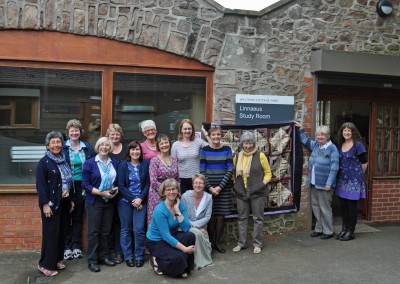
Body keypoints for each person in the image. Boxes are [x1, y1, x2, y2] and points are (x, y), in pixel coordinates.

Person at [36, 131, 74, 276]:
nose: (57, 145)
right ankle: (45, 265)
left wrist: (70, 200)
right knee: (51, 235)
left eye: (59, 142)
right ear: (48, 145)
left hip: (64, 201)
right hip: (51, 204)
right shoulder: (44, 163)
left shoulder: (64, 160)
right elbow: (41, 186)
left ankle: (56, 260)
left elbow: (68, 183)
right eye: (53, 142)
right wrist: (45, 204)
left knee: (61, 232)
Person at [296, 122, 339, 240]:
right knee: (316, 206)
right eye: (318, 135)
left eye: (323, 135)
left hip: (325, 185)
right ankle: (319, 229)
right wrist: (301, 129)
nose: (320, 137)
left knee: (325, 208)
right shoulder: (316, 145)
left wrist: (329, 183)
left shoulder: (332, 148)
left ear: (328, 136)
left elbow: (334, 168)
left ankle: (328, 231)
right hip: (314, 183)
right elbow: (305, 141)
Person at [82, 137, 119, 272]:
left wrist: (115, 191)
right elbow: (85, 184)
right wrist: (102, 193)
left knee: (105, 232)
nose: (104, 147)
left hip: (110, 201)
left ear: (110, 148)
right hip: (95, 201)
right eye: (102, 145)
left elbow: (118, 182)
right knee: (93, 232)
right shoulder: (90, 163)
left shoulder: (114, 163)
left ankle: (103, 256)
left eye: (107, 145)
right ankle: (92, 260)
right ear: (98, 147)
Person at [145, 179, 195, 278]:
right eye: (168, 189)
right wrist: (184, 249)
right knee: (179, 257)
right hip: (156, 241)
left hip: (170, 236)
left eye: (174, 189)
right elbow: (165, 236)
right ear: (164, 192)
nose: (171, 192)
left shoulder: (180, 206)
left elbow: (186, 228)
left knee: (190, 236)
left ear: (178, 191)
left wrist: (177, 211)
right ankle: (157, 261)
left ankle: (183, 264)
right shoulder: (160, 210)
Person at [232, 131, 272, 254]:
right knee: (242, 218)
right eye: (245, 143)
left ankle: (257, 244)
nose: (248, 146)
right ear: (242, 144)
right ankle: (242, 243)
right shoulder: (237, 157)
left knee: (258, 219)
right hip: (241, 193)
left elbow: (268, 173)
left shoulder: (260, 156)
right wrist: (235, 185)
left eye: (250, 143)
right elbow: (233, 173)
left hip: (258, 192)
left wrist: (262, 184)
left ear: (254, 143)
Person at [62, 119, 94, 261]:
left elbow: (92, 165)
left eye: (76, 130)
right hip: (66, 186)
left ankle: (76, 246)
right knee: (66, 216)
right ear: (68, 133)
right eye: (72, 130)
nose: (74, 133)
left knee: (78, 217)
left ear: (80, 132)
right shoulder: (63, 147)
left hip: (82, 186)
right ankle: (66, 247)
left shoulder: (86, 147)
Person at [199, 126, 233, 253]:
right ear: (209, 136)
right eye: (213, 135)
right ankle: (211, 243)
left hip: (223, 188)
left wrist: (219, 187)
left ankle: (217, 242)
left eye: (218, 134)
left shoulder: (227, 149)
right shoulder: (204, 150)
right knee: (210, 216)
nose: (216, 137)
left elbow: (230, 169)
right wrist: (209, 187)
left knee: (220, 216)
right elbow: (202, 170)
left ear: (221, 136)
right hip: (209, 188)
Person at [117, 141, 150, 268]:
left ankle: (139, 256)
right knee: (125, 230)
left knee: (139, 229)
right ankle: (128, 256)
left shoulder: (145, 164)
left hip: (141, 202)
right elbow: (121, 186)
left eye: (137, 149)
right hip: (125, 202)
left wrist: (140, 199)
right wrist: (133, 200)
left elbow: (148, 183)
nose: (135, 152)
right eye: (132, 149)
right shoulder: (123, 165)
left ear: (141, 152)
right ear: (128, 152)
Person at [335, 122, 368, 241]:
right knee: (343, 206)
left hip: (353, 181)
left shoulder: (358, 145)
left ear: (353, 132)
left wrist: (357, 176)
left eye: (349, 131)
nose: (347, 133)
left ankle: (351, 231)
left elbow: (364, 163)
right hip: (342, 180)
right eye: (345, 130)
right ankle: (344, 229)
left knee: (351, 206)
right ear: (342, 132)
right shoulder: (341, 144)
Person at [106, 123, 128, 264]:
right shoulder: (104, 148)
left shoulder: (126, 149)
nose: (115, 136)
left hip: (123, 193)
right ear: (108, 135)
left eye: (117, 134)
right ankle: (109, 252)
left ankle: (120, 251)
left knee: (121, 224)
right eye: (112, 134)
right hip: (107, 193)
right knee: (108, 224)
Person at [181, 174, 213, 270]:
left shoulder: (209, 198)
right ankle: (194, 262)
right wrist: (197, 228)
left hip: (203, 227)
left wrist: (199, 227)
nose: (198, 185)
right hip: (187, 226)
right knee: (197, 233)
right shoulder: (185, 196)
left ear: (204, 185)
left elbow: (207, 217)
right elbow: (184, 216)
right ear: (192, 184)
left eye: (201, 183)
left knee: (205, 245)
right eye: (196, 183)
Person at [147, 134, 180, 226]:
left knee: (171, 221)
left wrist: (174, 191)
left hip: (172, 195)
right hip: (157, 195)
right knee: (159, 222)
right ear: (158, 146)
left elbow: (178, 179)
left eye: (166, 142)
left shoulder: (174, 159)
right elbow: (153, 181)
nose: (164, 145)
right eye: (161, 143)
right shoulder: (154, 160)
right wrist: (167, 192)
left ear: (170, 144)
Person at [171, 119, 208, 194]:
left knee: (195, 203)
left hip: (196, 180)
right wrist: (175, 181)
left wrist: (205, 133)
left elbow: (212, 147)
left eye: (189, 129)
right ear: (181, 130)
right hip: (181, 180)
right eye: (185, 129)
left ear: (192, 130)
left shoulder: (198, 141)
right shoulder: (175, 145)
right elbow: (173, 165)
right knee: (184, 204)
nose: (187, 131)